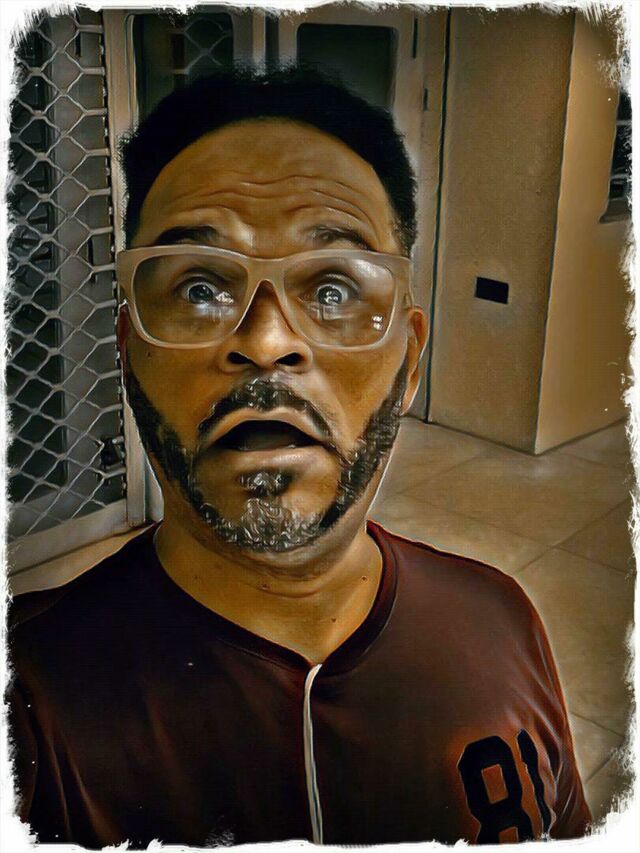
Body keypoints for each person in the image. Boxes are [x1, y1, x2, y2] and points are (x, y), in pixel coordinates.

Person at [7, 67, 591, 847]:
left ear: (409, 363)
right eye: (199, 288)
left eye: (334, 291)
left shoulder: (502, 622)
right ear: (128, 349)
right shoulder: (28, 693)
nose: (267, 341)